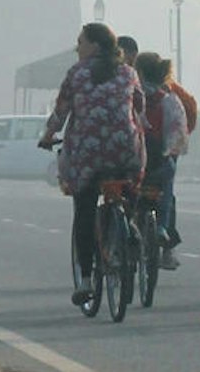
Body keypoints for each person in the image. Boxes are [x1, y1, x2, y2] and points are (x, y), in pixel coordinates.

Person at [39, 22, 145, 309]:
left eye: (81, 42)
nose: (77, 48)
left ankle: (85, 280)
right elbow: (139, 106)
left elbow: (61, 111)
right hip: (125, 151)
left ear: (95, 46)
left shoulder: (76, 73)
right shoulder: (129, 72)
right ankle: (131, 223)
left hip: (88, 154)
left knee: (84, 208)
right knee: (131, 179)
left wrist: (48, 136)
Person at [136, 52, 188, 270]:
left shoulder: (130, 94)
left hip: (134, 160)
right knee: (166, 190)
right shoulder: (170, 99)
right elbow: (179, 133)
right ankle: (162, 228)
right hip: (159, 160)